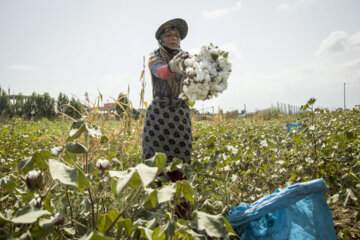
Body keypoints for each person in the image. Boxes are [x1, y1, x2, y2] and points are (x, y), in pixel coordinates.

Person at [142, 18, 192, 218]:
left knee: (181, 164)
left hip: (180, 115)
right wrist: (173, 66)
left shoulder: (187, 58)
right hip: (159, 117)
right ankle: (158, 215)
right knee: (157, 164)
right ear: (161, 38)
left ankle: (181, 217)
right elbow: (162, 73)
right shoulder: (155, 57)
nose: (174, 38)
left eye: (177, 36)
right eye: (170, 35)